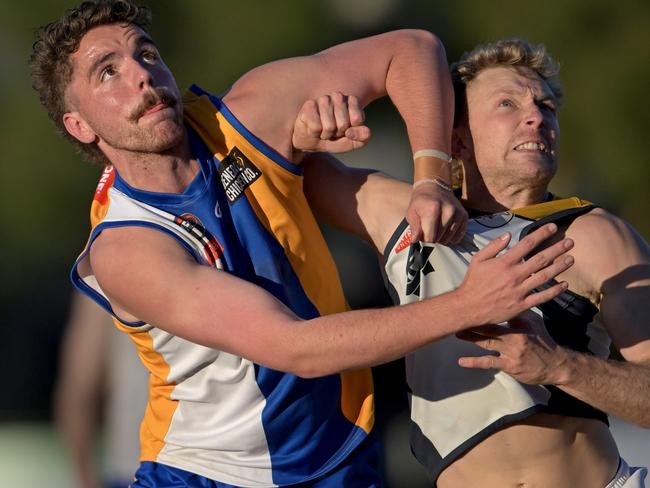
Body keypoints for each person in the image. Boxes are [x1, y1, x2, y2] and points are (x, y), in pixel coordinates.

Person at [30, 1, 575, 486]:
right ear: (81, 126)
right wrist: (470, 304)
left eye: (146, 54)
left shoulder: (246, 117)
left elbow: (410, 49)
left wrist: (431, 175)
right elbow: (295, 348)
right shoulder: (126, 248)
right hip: (210, 472)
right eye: (109, 73)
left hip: (338, 449)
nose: (143, 77)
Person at [296, 39, 650, 487]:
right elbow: (287, 163)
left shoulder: (593, 233)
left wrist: (561, 365)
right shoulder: (403, 212)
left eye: (545, 106)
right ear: (456, 139)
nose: (536, 116)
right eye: (508, 103)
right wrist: (317, 123)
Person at [55, 290, 148, 488]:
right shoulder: (223, 264)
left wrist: (83, 474)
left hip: (135, 468)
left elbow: (81, 383)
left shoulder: (103, 271)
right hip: (220, 466)